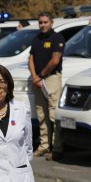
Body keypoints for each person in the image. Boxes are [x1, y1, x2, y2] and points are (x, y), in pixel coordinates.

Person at [29, 11, 65, 161]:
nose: (43, 25)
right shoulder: (36, 39)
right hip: (38, 81)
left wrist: (41, 75)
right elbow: (30, 59)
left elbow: (55, 60)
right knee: (41, 115)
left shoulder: (57, 38)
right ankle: (44, 146)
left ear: (52, 22)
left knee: (53, 115)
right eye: (41, 22)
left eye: (45, 22)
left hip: (51, 79)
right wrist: (35, 77)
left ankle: (57, 148)